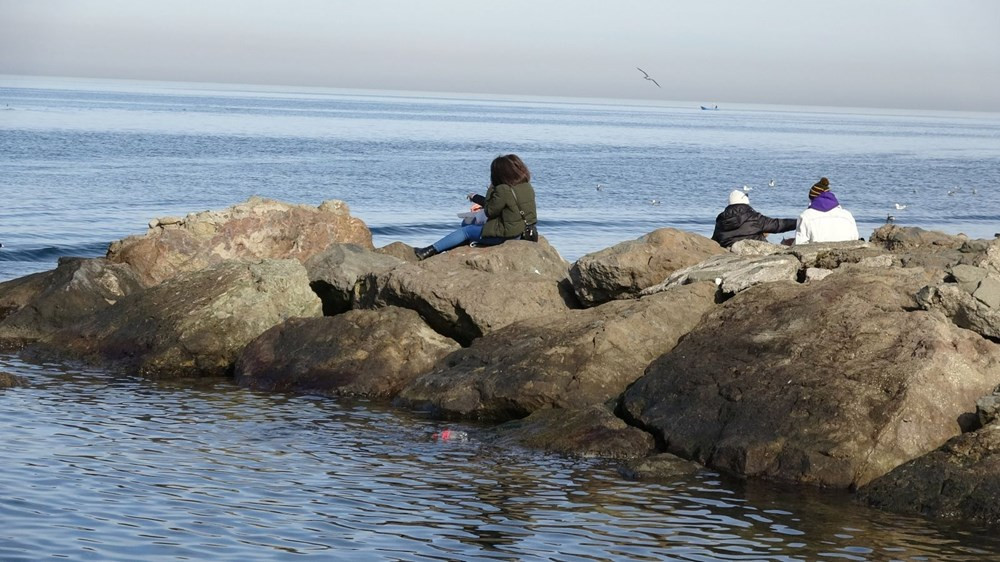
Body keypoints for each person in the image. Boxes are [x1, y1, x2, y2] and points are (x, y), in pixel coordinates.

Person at [415, 154, 538, 260]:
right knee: (468, 223)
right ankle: (455, 246)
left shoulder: (502, 189)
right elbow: (505, 207)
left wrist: (491, 188)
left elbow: (490, 211)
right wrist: (477, 199)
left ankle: (429, 251)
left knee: (465, 230)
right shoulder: (526, 186)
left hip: (507, 234)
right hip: (523, 231)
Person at [711, 189, 796, 248]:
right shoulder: (753, 218)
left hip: (730, 253)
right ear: (745, 201)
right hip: (755, 251)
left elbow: (714, 241)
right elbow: (778, 225)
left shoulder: (721, 220)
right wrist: (799, 222)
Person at [794, 177, 860, 244]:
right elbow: (855, 240)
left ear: (812, 199)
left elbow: (800, 244)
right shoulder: (847, 215)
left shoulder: (805, 216)